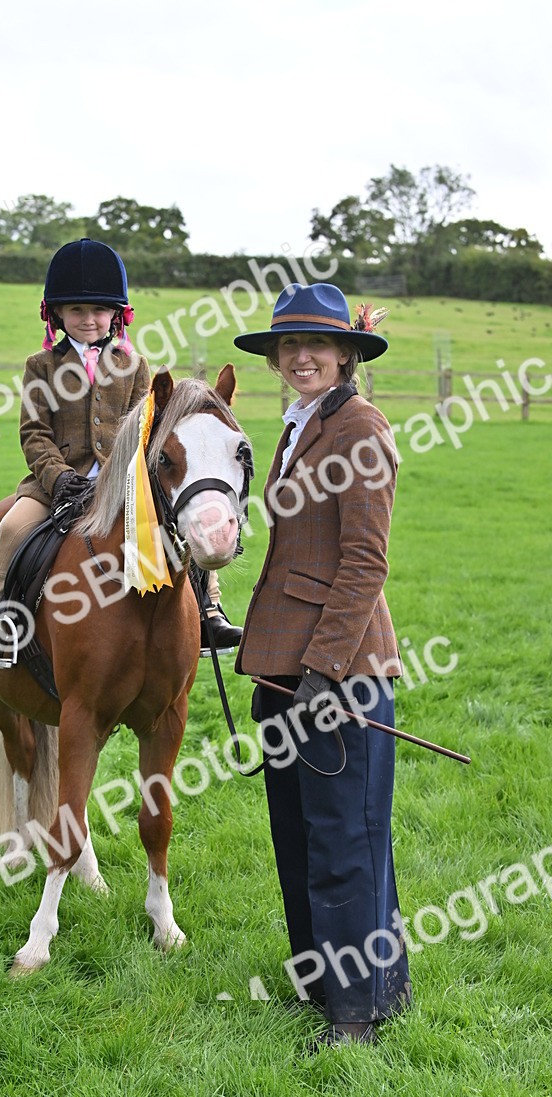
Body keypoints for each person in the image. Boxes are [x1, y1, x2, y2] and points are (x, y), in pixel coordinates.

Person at [233, 282, 411, 1049]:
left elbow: (365, 561)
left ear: (346, 353)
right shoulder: (301, 424)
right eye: (288, 345)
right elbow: (294, 554)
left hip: (337, 671)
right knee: (302, 833)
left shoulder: (359, 425)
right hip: (286, 664)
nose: (300, 356)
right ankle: (351, 982)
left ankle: (355, 1018)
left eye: (317, 344)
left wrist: (325, 668)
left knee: (345, 839)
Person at [0, 237, 242, 667]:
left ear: (116, 315)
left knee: (183, 525)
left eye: (98, 310)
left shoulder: (134, 367)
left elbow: (149, 433)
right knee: (10, 528)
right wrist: (58, 478)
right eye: (77, 310)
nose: (89, 320)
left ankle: (209, 610)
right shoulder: (40, 367)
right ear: (57, 313)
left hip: (126, 485)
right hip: (54, 485)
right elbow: (34, 433)